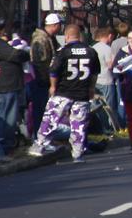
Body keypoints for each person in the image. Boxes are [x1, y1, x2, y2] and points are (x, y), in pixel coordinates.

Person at [29, 24, 100, 163]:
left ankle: (40, 145)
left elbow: (54, 71)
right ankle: (78, 154)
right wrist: (91, 88)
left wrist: (53, 86)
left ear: (67, 36)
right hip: (82, 93)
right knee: (79, 125)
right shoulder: (90, 51)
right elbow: (95, 73)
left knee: (50, 118)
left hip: (63, 92)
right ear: (79, 35)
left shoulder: (63, 51)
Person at [0, 18, 30, 162]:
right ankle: (4, 148)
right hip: (6, 86)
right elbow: (15, 55)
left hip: (6, 86)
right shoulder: (0, 44)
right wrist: (25, 54)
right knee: (7, 118)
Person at [29, 13, 61, 139]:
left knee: (47, 112)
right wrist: (47, 82)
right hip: (41, 82)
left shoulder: (49, 38)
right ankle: (39, 138)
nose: (60, 27)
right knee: (41, 111)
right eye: (59, 25)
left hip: (46, 81)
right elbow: (40, 63)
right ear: (54, 25)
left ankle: (45, 137)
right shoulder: (40, 40)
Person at [91, 28, 118, 119]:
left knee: (96, 105)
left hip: (95, 80)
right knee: (108, 106)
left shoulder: (92, 48)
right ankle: (109, 126)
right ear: (110, 36)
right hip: (107, 80)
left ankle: (99, 125)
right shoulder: (107, 49)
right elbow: (110, 65)